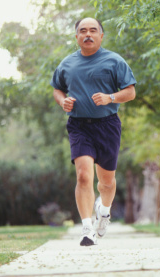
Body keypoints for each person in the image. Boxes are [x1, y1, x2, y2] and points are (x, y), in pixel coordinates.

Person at [50, 17, 136, 246]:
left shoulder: (114, 61)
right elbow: (57, 89)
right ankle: (87, 228)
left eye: (93, 30)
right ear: (76, 36)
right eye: (83, 31)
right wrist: (62, 102)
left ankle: (104, 211)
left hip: (107, 124)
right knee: (83, 175)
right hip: (79, 125)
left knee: (106, 183)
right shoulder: (67, 64)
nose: (88, 34)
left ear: (101, 36)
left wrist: (111, 97)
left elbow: (130, 92)